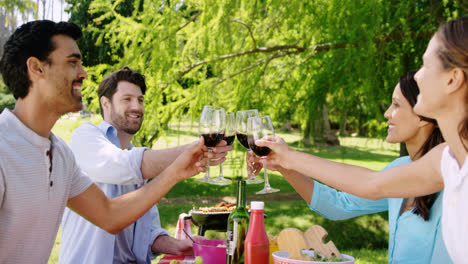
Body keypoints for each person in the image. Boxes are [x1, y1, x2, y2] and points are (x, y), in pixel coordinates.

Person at [0, 20, 228, 263]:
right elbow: (125, 169)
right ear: (36, 68)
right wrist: (191, 152)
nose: (83, 73)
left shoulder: (60, 155)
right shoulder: (5, 147)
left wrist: (175, 173)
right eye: (72, 62)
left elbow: (110, 215)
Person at [254, 16, 468, 263]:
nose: (417, 76)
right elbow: (370, 184)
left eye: (426, 65)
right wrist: (287, 160)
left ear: (452, 79)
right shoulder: (446, 160)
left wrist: (289, 158)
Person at [59, 67, 215, 263]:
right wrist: (194, 150)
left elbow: (147, 231)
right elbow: (124, 166)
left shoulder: (138, 157)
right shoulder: (86, 137)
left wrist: (176, 245)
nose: (136, 106)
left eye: (140, 100)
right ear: (105, 103)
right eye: (127, 99)